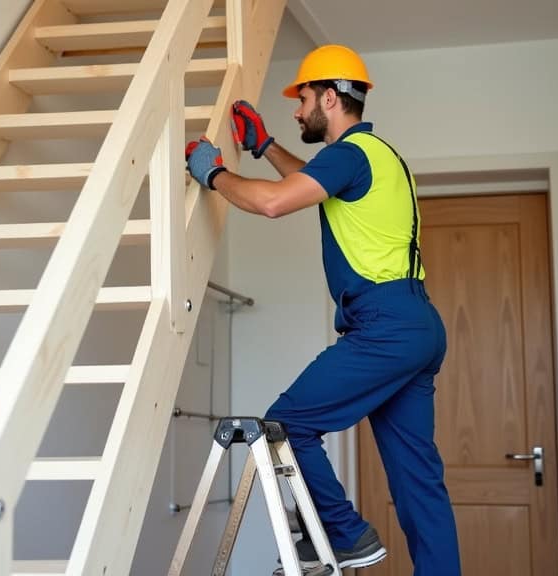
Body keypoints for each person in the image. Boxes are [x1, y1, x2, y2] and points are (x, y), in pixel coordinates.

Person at [185, 44, 461, 576]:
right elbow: (311, 179)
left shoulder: (352, 155)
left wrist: (213, 174)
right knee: (419, 485)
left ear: (330, 98)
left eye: (303, 97)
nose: (296, 109)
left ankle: (345, 533)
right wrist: (265, 146)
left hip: (384, 326)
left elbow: (273, 202)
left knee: (287, 423)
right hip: (417, 324)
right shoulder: (376, 155)